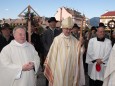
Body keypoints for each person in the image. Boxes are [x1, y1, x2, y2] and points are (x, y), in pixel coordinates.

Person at [44, 17, 85, 86]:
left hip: (70, 69)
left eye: (70, 29)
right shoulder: (57, 40)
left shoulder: (74, 40)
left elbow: (80, 53)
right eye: (66, 29)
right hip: (59, 69)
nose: (68, 31)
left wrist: (81, 44)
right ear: (62, 28)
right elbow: (52, 55)